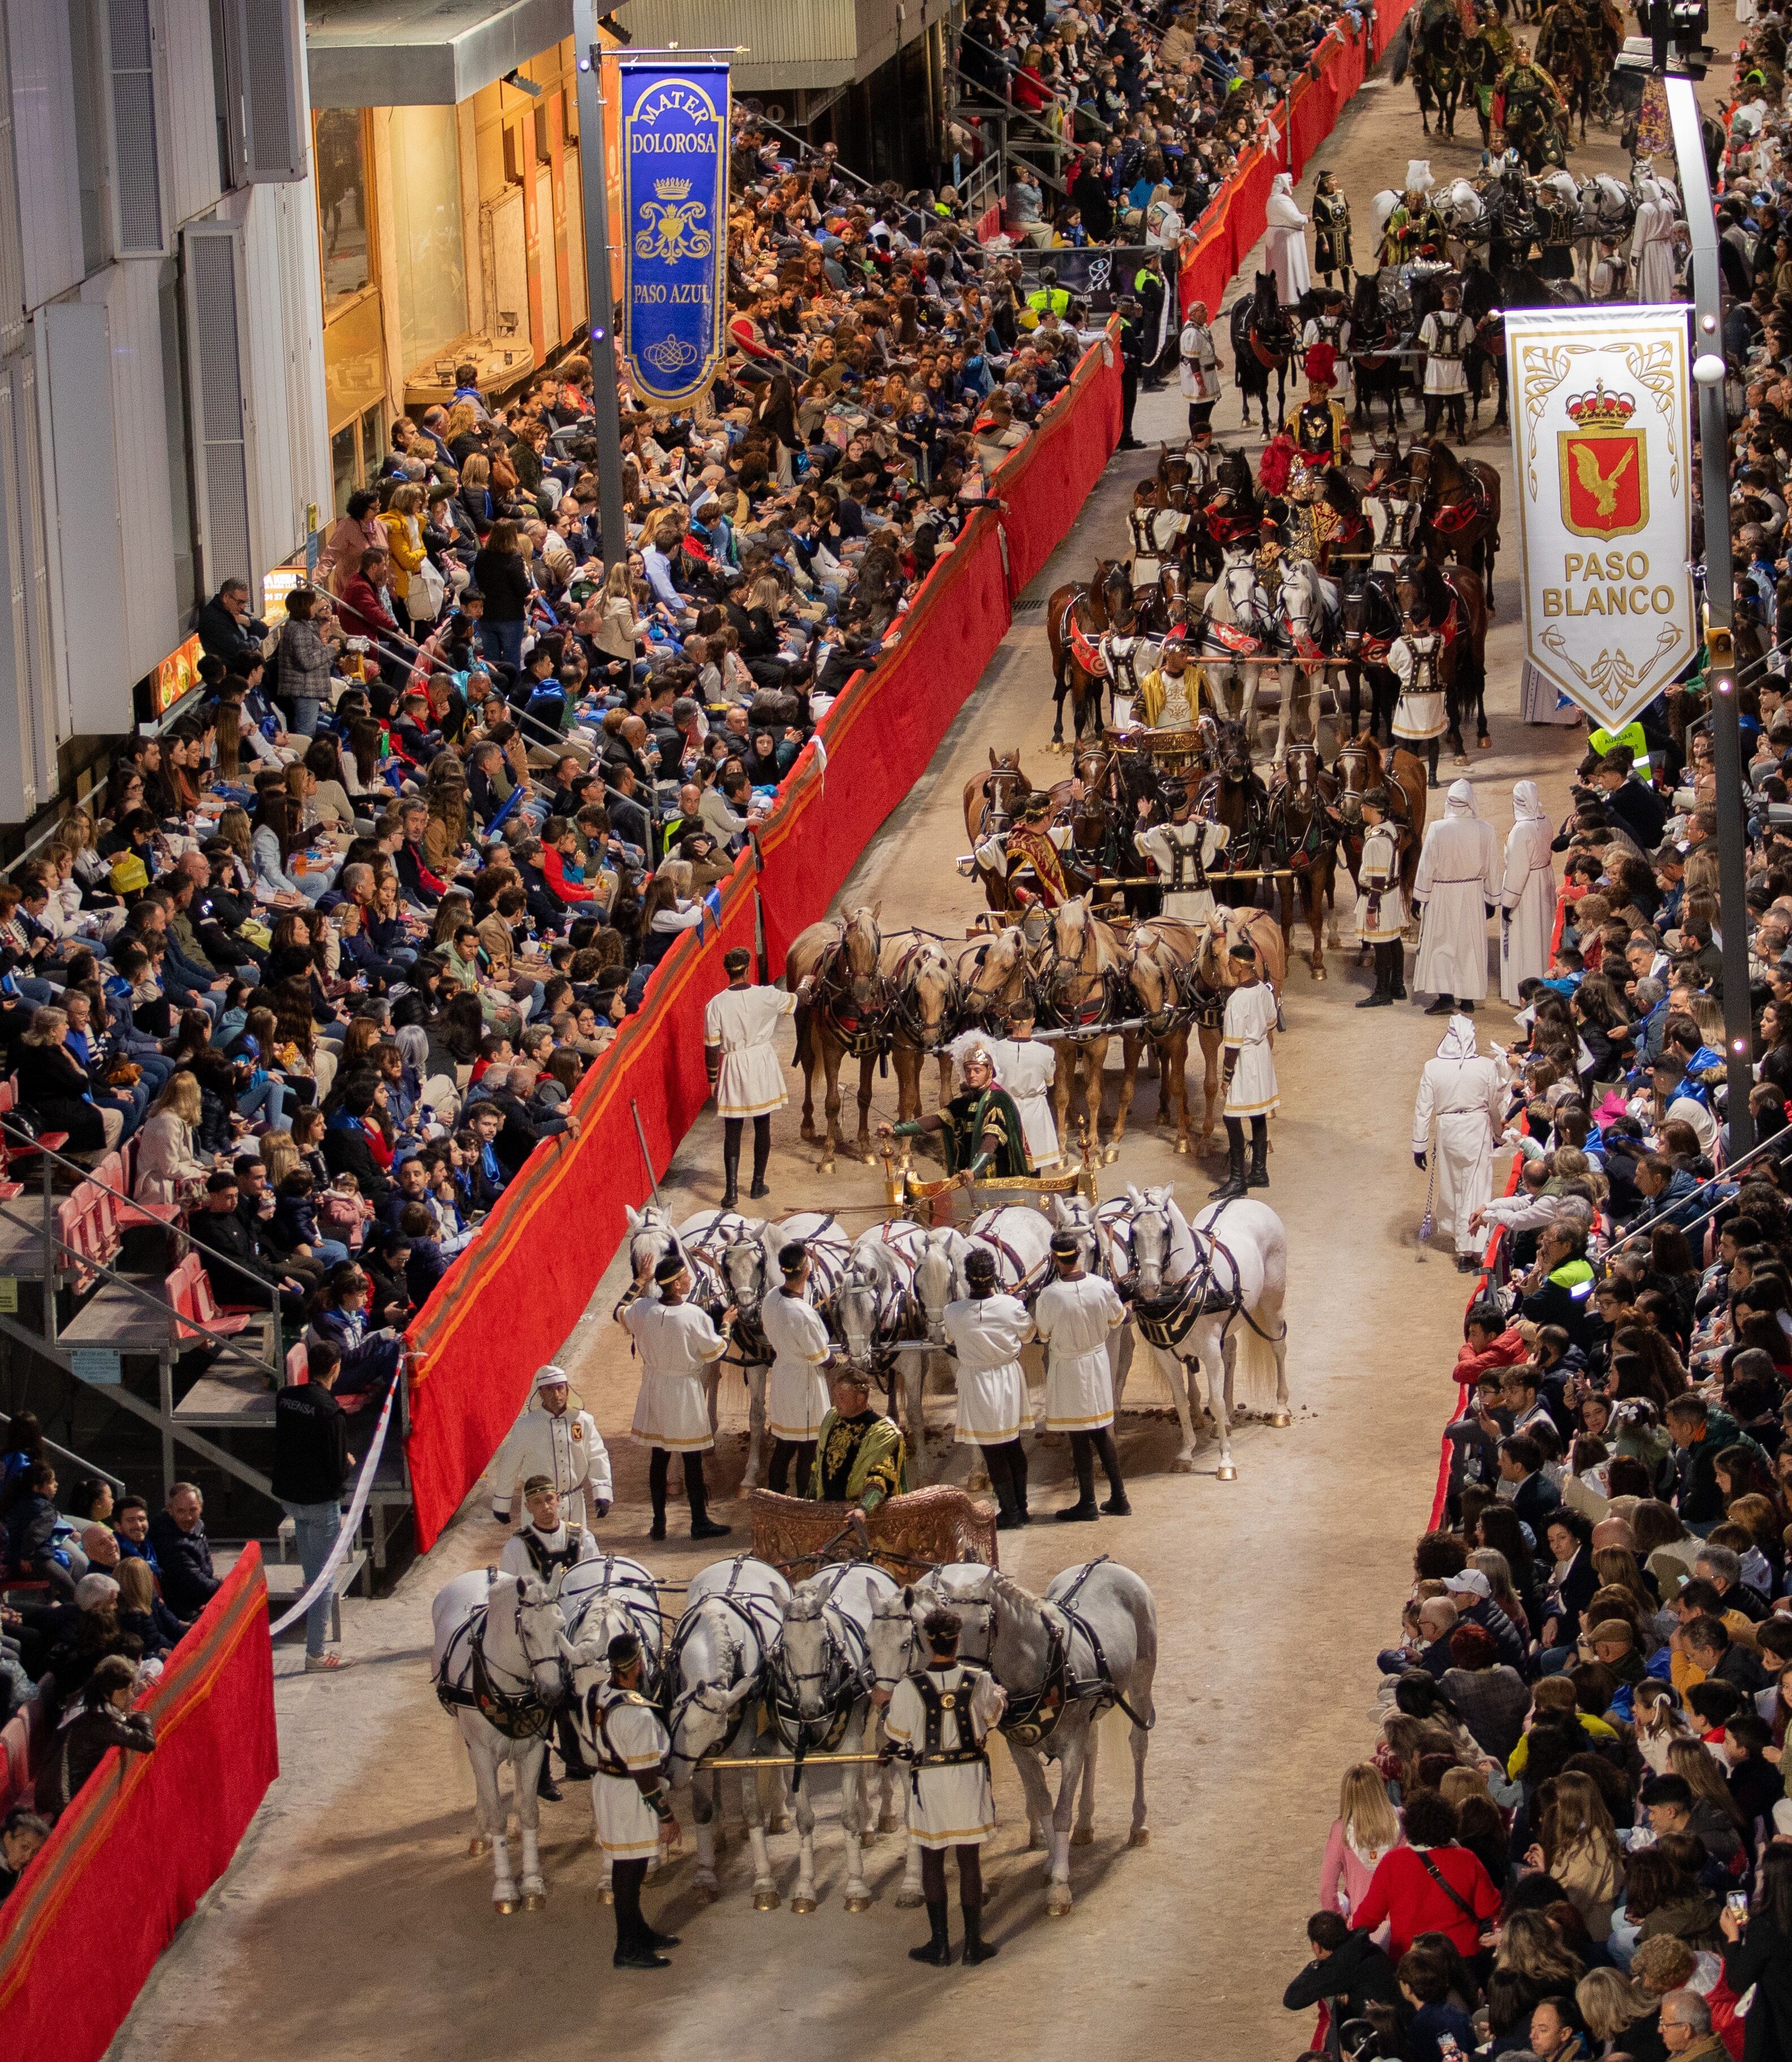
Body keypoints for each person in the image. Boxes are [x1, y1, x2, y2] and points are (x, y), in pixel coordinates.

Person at [881, 1607, 1007, 1968]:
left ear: (925, 1641)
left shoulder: (909, 1687)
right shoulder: (980, 1680)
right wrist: (1000, 1698)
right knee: (969, 1862)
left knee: (932, 1861)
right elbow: (992, 1715)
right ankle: (972, 1946)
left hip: (931, 1781)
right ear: (957, 1641)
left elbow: (897, 1734)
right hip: (968, 1777)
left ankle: (938, 1946)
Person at [498, 1473, 601, 1800]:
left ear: (559, 1500)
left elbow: (595, 1583)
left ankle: (576, 1761)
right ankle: (541, 1777)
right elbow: (508, 1592)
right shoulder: (516, 1546)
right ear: (528, 1507)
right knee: (538, 1705)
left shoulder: (583, 1539)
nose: (545, 1507)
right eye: (537, 1502)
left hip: (572, 1631)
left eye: (550, 1500)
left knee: (574, 1696)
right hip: (538, 1640)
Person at [586, 1631, 682, 1971]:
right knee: (628, 1869)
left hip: (609, 1785)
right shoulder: (636, 1715)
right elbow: (645, 1775)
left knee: (633, 1864)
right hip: (630, 1794)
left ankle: (638, 1931)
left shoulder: (598, 1691)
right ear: (638, 1664)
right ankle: (626, 1946)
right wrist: (667, 1817)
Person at [622, 1255, 733, 1542]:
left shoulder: (643, 1309)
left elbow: (619, 1308)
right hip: (684, 1391)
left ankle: (659, 1524)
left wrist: (641, 1280)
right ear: (674, 1285)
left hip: (653, 1388)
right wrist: (727, 1323)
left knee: (659, 1458)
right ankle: (699, 1522)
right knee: (692, 1460)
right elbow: (718, 1350)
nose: (689, 1281)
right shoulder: (693, 1316)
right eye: (684, 1278)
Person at [271, 1341, 356, 1673]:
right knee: (324, 1580)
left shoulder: (285, 1398)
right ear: (335, 1369)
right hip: (320, 1502)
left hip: (291, 1497)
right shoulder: (330, 1410)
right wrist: (348, 1462)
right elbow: (338, 1467)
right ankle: (316, 1654)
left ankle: (309, 1590)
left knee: (312, 1571)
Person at [1033, 1230, 1129, 1521]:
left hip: (1069, 1368)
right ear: (1079, 1254)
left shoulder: (1048, 1296)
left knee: (1078, 1437)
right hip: (1097, 1363)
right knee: (1100, 1433)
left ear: (1053, 1259)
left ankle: (1088, 1502)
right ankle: (1119, 1498)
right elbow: (1117, 1319)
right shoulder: (1101, 1286)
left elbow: (1043, 1334)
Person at [705, 946, 807, 1209]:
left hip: (733, 1065)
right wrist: (807, 982)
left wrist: (713, 1079)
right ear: (748, 969)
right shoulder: (766, 995)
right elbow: (799, 1001)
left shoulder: (715, 1004)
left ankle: (731, 1192)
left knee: (733, 1129)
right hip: (760, 1063)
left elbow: (712, 1047)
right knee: (763, 1124)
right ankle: (757, 1184)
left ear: (727, 972)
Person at [942, 1247, 1034, 1529]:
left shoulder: (952, 1311)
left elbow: (949, 1339)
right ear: (995, 1276)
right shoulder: (1011, 1307)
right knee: (1013, 1445)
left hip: (978, 1382)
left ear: (966, 1279)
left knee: (992, 1450)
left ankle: (1010, 1511)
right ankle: (1021, 1506)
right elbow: (1029, 1335)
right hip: (1008, 1378)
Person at [1412, 1015, 1506, 1271]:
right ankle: (1469, 1248)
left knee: (1453, 1186)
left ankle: (1462, 1239)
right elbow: (1494, 1104)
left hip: (1448, 1130)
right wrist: (1499, 1134)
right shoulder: (1487, 1066)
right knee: (1476, 1186)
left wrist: (1419, 1144)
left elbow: (1423, 1109)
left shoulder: (1433, 1067)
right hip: (1477, 1129)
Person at [880, 1046, 1030, 1204]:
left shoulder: (998, 1101)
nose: (971, 1075)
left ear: (989, 1070)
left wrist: (975, 1171)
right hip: (967, 1181)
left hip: (996, 1185)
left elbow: (991, 1141)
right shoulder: (966, 1101)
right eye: (968, 1071)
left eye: (977, 1071)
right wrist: (895, 1130)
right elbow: (936, 1120)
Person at [489, 1363, 613, 1530]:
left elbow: (597, 1456)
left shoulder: (583, 1421)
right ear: (540, 1394)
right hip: (538, 1506)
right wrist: (502, 1502)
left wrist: (602, 1493)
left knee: (576, 1551)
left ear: (567, 1390)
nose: (556, 1395)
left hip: (574, 1504)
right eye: (549, 1390)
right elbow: (510, 1464)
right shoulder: (525, 1426)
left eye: (560, 1388)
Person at [1412, 779, 1500, 1013]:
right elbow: (1493, 867)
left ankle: (1446, 996)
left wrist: (1419, 896)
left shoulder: (1437, 828)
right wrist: (1492, 899)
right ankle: (1468, 999)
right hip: (1472, 894)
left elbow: (1426, 865)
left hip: (1443, 894)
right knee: (1469, 946)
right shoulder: (1486, 829)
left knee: (1442, 945)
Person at [35, 1655, 157, 1819]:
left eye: (130, 1689)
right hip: (60, 1802)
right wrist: (141, 1715)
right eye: (124, 1692)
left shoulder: (89, 1700)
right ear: (107, 1695)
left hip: (51, 1789)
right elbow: (147, 1742)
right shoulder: (99, 1722)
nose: (130, 1696)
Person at [944, 1004, 1061, 1170]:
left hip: (1005, 1111)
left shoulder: (995, 1050)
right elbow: (1050, 1082)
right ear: (1033, 1021)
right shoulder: (1046, 1052)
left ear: (1010, 1021)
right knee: (1034, 1169)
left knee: (1006, 1164)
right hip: (1035, 1114)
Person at [760, 1242, 833, 1496]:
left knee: (784, 1447)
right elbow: (822, 1358)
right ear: (806, 1269)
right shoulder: (802, 1313)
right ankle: (806, 1506)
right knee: (809, 1449)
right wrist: (843, 1362)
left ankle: (776, 1500)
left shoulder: (771, 1298)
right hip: (806, 1386)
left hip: (783, 1379)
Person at [1210, 942, 1277, 1202]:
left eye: (1230, 961)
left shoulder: (1237, 1000)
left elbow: (1232, 1045)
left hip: (1245, 1061)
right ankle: (1259, 1172)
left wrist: (1226, 1077)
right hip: (1261, 1057)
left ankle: (1238, 1180)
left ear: (1240, 965)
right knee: (1258, 1113)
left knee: (1231, 1117)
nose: (1228, 965)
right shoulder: (1263, 990)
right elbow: (1271, 1022)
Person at [1718, 1845, 1792, 2062]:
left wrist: (1733, 1937)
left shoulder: (1768, 1927)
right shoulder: (1767, 1926)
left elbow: (1738, 1981)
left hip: (1779, 2029)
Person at [805, 1363, 906, 1513]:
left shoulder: (883, 1433)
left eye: (842, 1397)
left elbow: (881, 1477)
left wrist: (864, 1509)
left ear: (860, 1399)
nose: (836, 1402)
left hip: (863, 1519)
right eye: (835, 1397)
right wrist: (809, 1504)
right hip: (826, 1513)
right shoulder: (832, 1419)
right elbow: (818, 1467)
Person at [1136, 784, 1230, 924]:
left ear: (1168, 809)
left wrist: (1143, 815)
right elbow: (1224, 833)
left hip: (1173, 904)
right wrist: (1201, 819)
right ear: (1187, 807)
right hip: (1202, 901)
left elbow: (1137, 839)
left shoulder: (1158, 834)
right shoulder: (1206, 828)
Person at [1502, 780, 1557, 1004]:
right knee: (1542, 937)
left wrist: (1508, 902)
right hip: (1544, 881)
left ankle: (1524, 994)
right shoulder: (1545, 821)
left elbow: (1518, 871)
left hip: (1526, 892)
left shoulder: (1521, 830)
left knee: (1526, 940)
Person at [1354, 786, 1410, 1009]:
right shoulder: (1390, 828)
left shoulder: (1377, 841)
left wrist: (1371, 909)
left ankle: (1382, 992)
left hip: (1380, 898)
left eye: (1364, 806)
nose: (1361, 809)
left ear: (1372, 809)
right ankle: (1397, 985)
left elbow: (1376, 880)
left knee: (1381, 944)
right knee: (1394, 939)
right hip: (1392, 894)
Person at [1389, 599, 1452, 790]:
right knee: (1433, 738)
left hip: (1410, 699)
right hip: (1433, 698)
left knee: (1405, 739)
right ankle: (1432, 778)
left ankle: (1411, 776)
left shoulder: (1400, 644)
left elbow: (1393, 666)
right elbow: (1438, 658)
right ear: (1427, 621)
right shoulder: (1438, 641)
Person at [147, 1482, 220, 1621]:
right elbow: (198, 1586)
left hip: (199, 1603)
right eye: (181, 1511)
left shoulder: (198, 1528)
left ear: (201, 1507)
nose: (188, 1518)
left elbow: (206, 1571)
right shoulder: (168, 1542)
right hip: (183, 1614)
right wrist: (219, 1583)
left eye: (193, 1510)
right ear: (170, 1510)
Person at [1418, 281, 1471, 442]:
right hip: (1456, 365)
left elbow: (1423, 341)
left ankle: (1432, 435)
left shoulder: (1430, 318)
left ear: (1443, 299)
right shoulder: (1466, 320)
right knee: (1458, 401)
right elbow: (1471, 339)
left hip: (1436, 365)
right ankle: (1461, 435)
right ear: (1458, 301)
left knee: (1434, 401)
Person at [1265, 171, 1312, 306]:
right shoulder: (1281, 200)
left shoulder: (1273, 199)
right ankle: (1290, 297)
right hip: (1285, 240)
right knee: (1288, 269)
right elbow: (1296, 219)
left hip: (1280, 237)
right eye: (1290, 185)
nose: (1292, 188)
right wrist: (1307, 217)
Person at [0, 1809, 49, 1901]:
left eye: (35, 1852)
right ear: (8, 1838)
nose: (28, 1857)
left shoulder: (18, 1874)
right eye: (25, 1847)